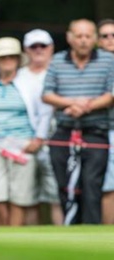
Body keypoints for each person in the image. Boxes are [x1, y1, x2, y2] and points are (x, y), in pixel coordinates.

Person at [0, 37, 51, 226]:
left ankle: (12, 238)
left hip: (23, 143)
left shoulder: (30, 82)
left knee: (20, 196)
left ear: (17, 59)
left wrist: (38, 139)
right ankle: (4, 233)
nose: (7, 60)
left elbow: (45, 112)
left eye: (11, 57)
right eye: (3, 57)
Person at [42, 19, 114, 225]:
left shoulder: (108, 61)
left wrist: (85, 107)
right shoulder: (57, 60)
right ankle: (69, 227)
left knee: (92, 183)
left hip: (95, 130)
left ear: (95, 39)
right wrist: (72, 103)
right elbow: (47, 94)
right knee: (64, 184)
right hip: (64, 129)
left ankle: (90, 232)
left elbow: (110, 95)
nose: (83, 41)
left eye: (88, 36)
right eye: (79, 36)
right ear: (69, 37)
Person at [19, 29, 63, 225]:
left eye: (43, 46)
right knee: (29, 199)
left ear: (51, 48)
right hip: (24, 144)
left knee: (56, 198)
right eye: (33, 46)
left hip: (55, 143)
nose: (38, 50)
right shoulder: (18, 75)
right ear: (26, 50)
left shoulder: (61, 71)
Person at [97, 18, 114, 225]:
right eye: (105, 36)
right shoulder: (94, 64)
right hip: (105, 130)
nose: (110, 40)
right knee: (110, 187)